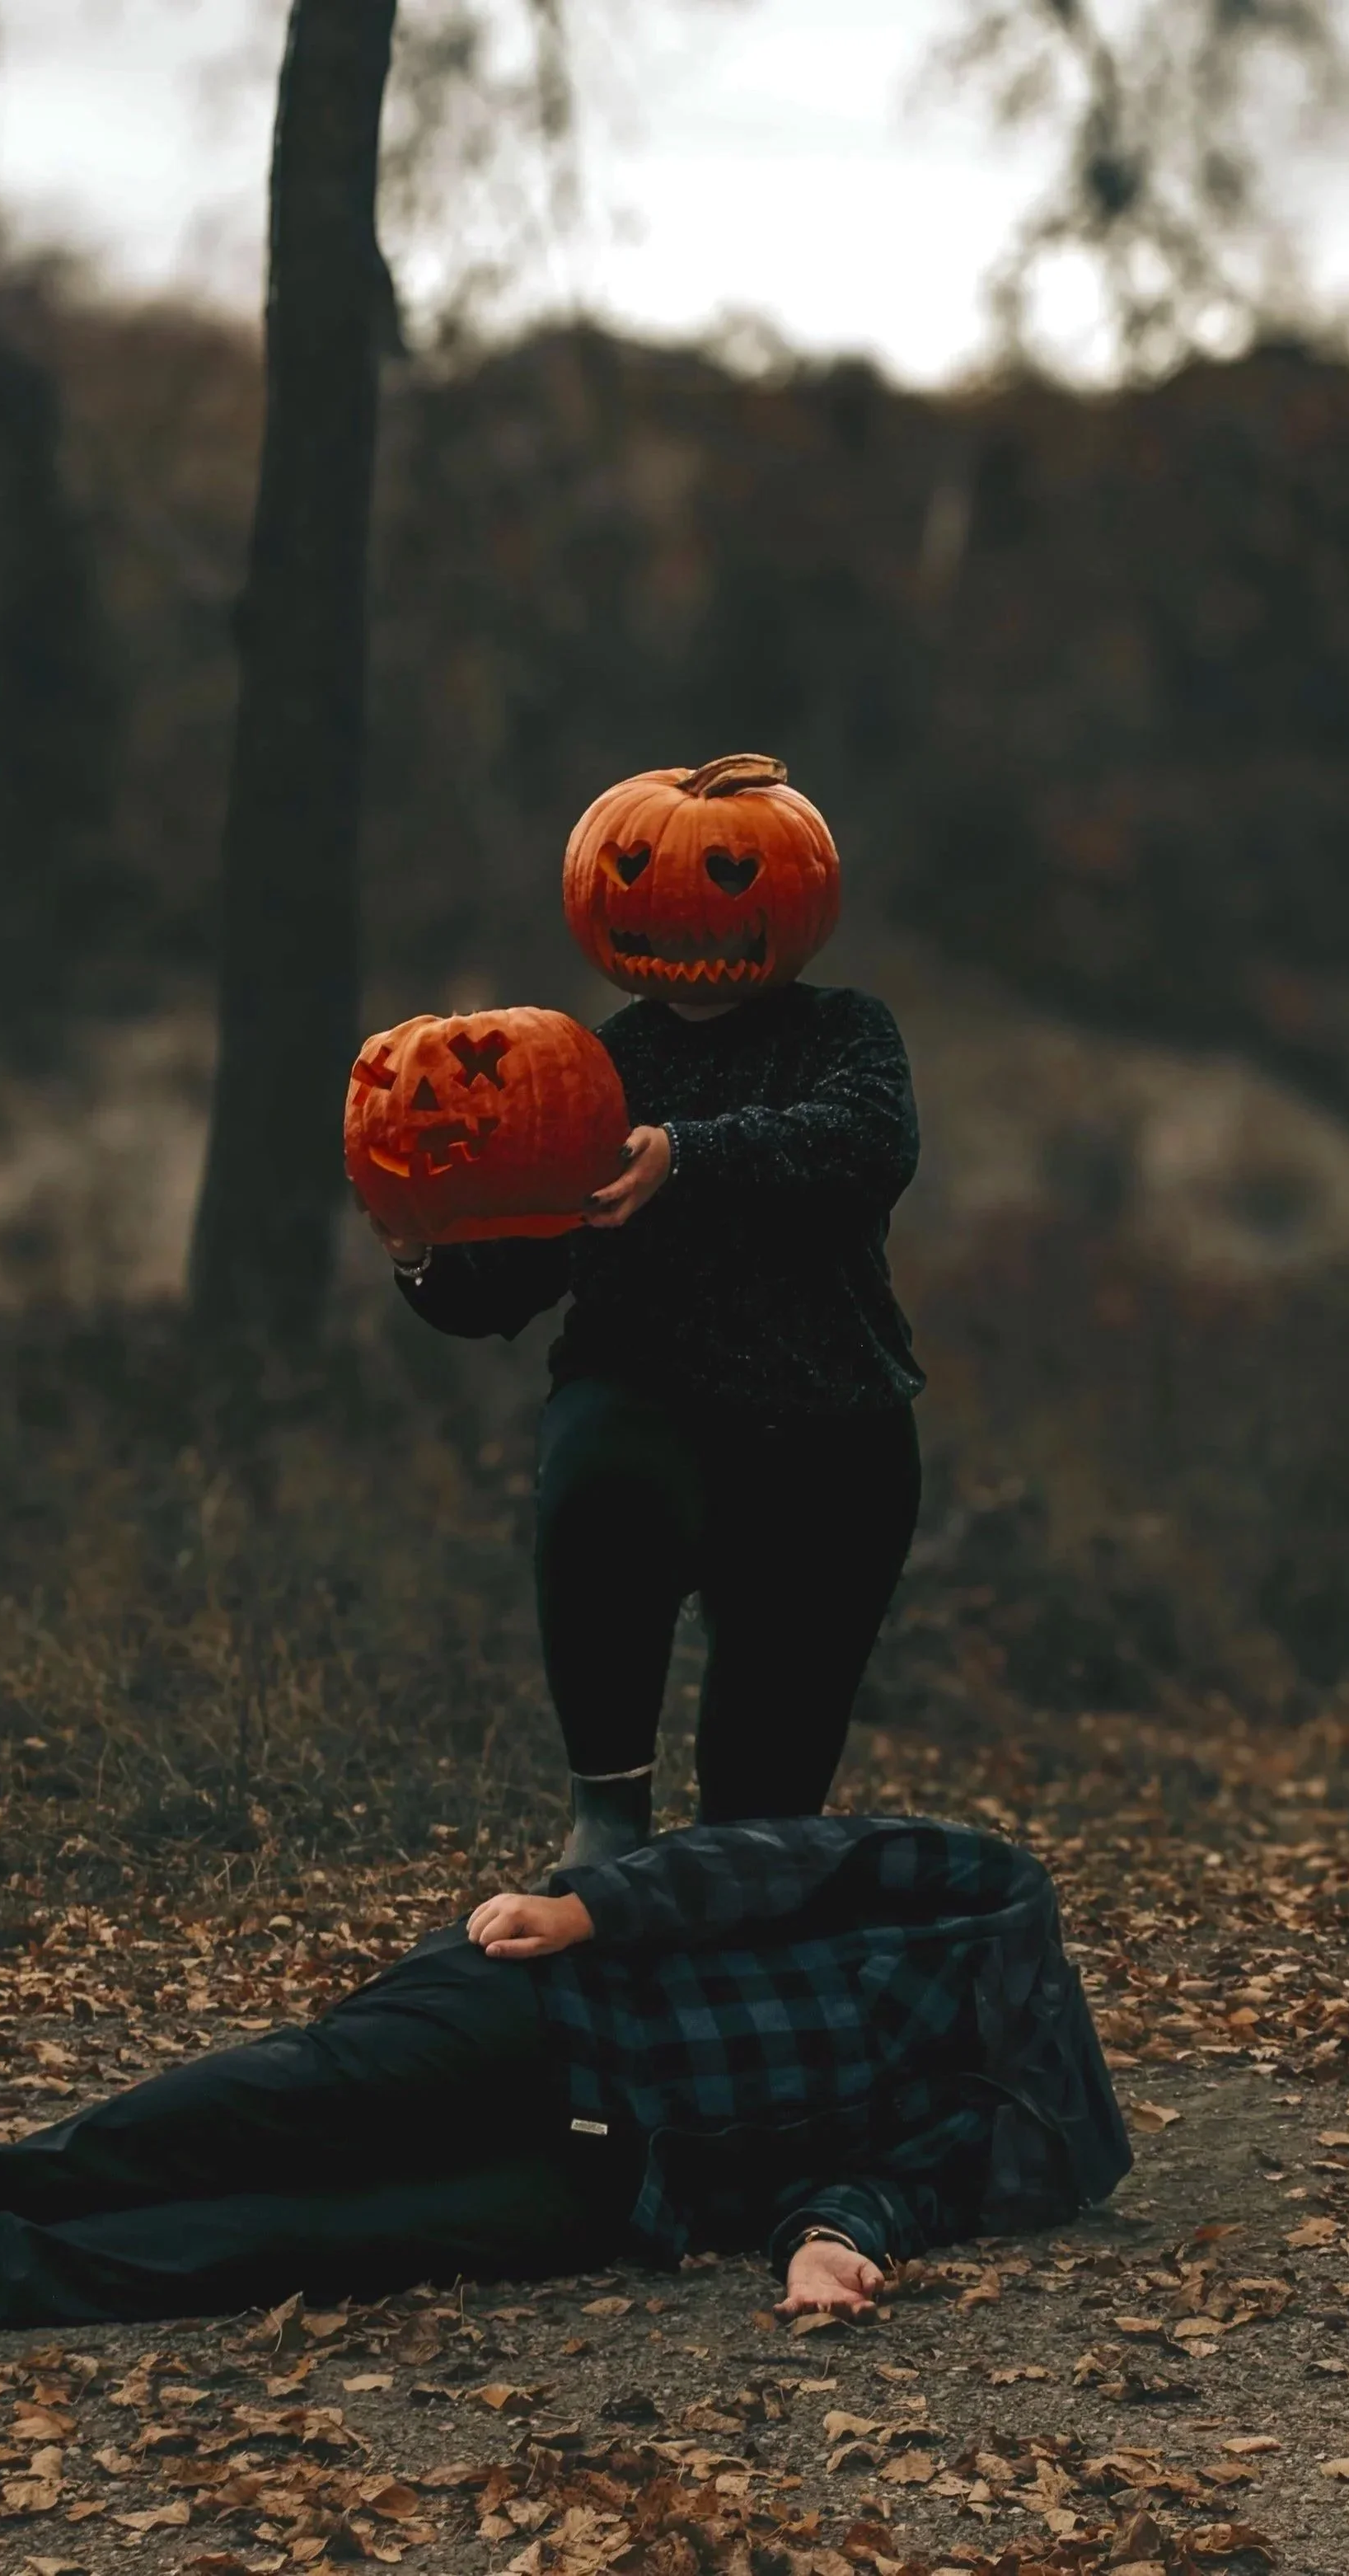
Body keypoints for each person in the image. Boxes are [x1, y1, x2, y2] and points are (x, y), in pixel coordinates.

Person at [0, 1816, 1130, 2347]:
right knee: (269, 2107)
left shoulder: (1051, 2140)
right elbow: (772, 1864)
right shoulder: (994, 1896)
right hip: (553, 2001)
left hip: (621, 2180)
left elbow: (899, 2188)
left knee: (305, 2235)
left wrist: (834, 2244)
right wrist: (586, 1909)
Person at [374, 758, 925, 1866]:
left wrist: (688, 1155)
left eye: (726, 876)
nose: (680, 903)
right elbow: (513, 1289)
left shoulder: (845, 1034)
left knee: (761, 1805)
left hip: (829, 1423)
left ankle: (728, 1912)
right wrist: (426, 1257)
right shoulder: (590, 1067)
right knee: (602, 1477)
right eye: (638, 870)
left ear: (795, 890)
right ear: (600, 886)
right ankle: (606, 1811)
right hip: (647, 1392)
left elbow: (863, 1146)